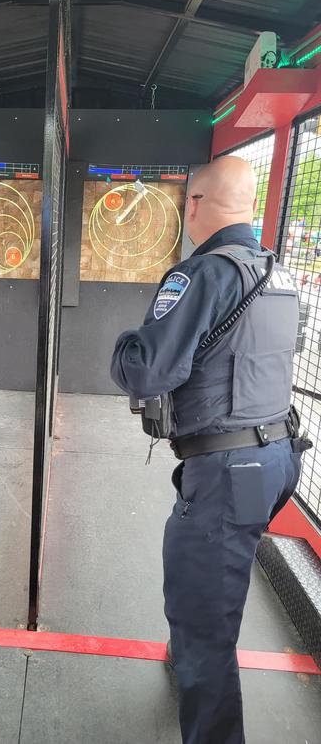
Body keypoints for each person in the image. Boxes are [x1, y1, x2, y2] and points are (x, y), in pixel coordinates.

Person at [111, 156, 306, 744]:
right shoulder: (275, 270)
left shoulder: (202, 274)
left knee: (204, 621)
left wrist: (126, 344)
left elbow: (147, 371)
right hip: (278, 456)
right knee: (211, 579)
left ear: (194, 204)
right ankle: (186, 657)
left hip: (228, 470)